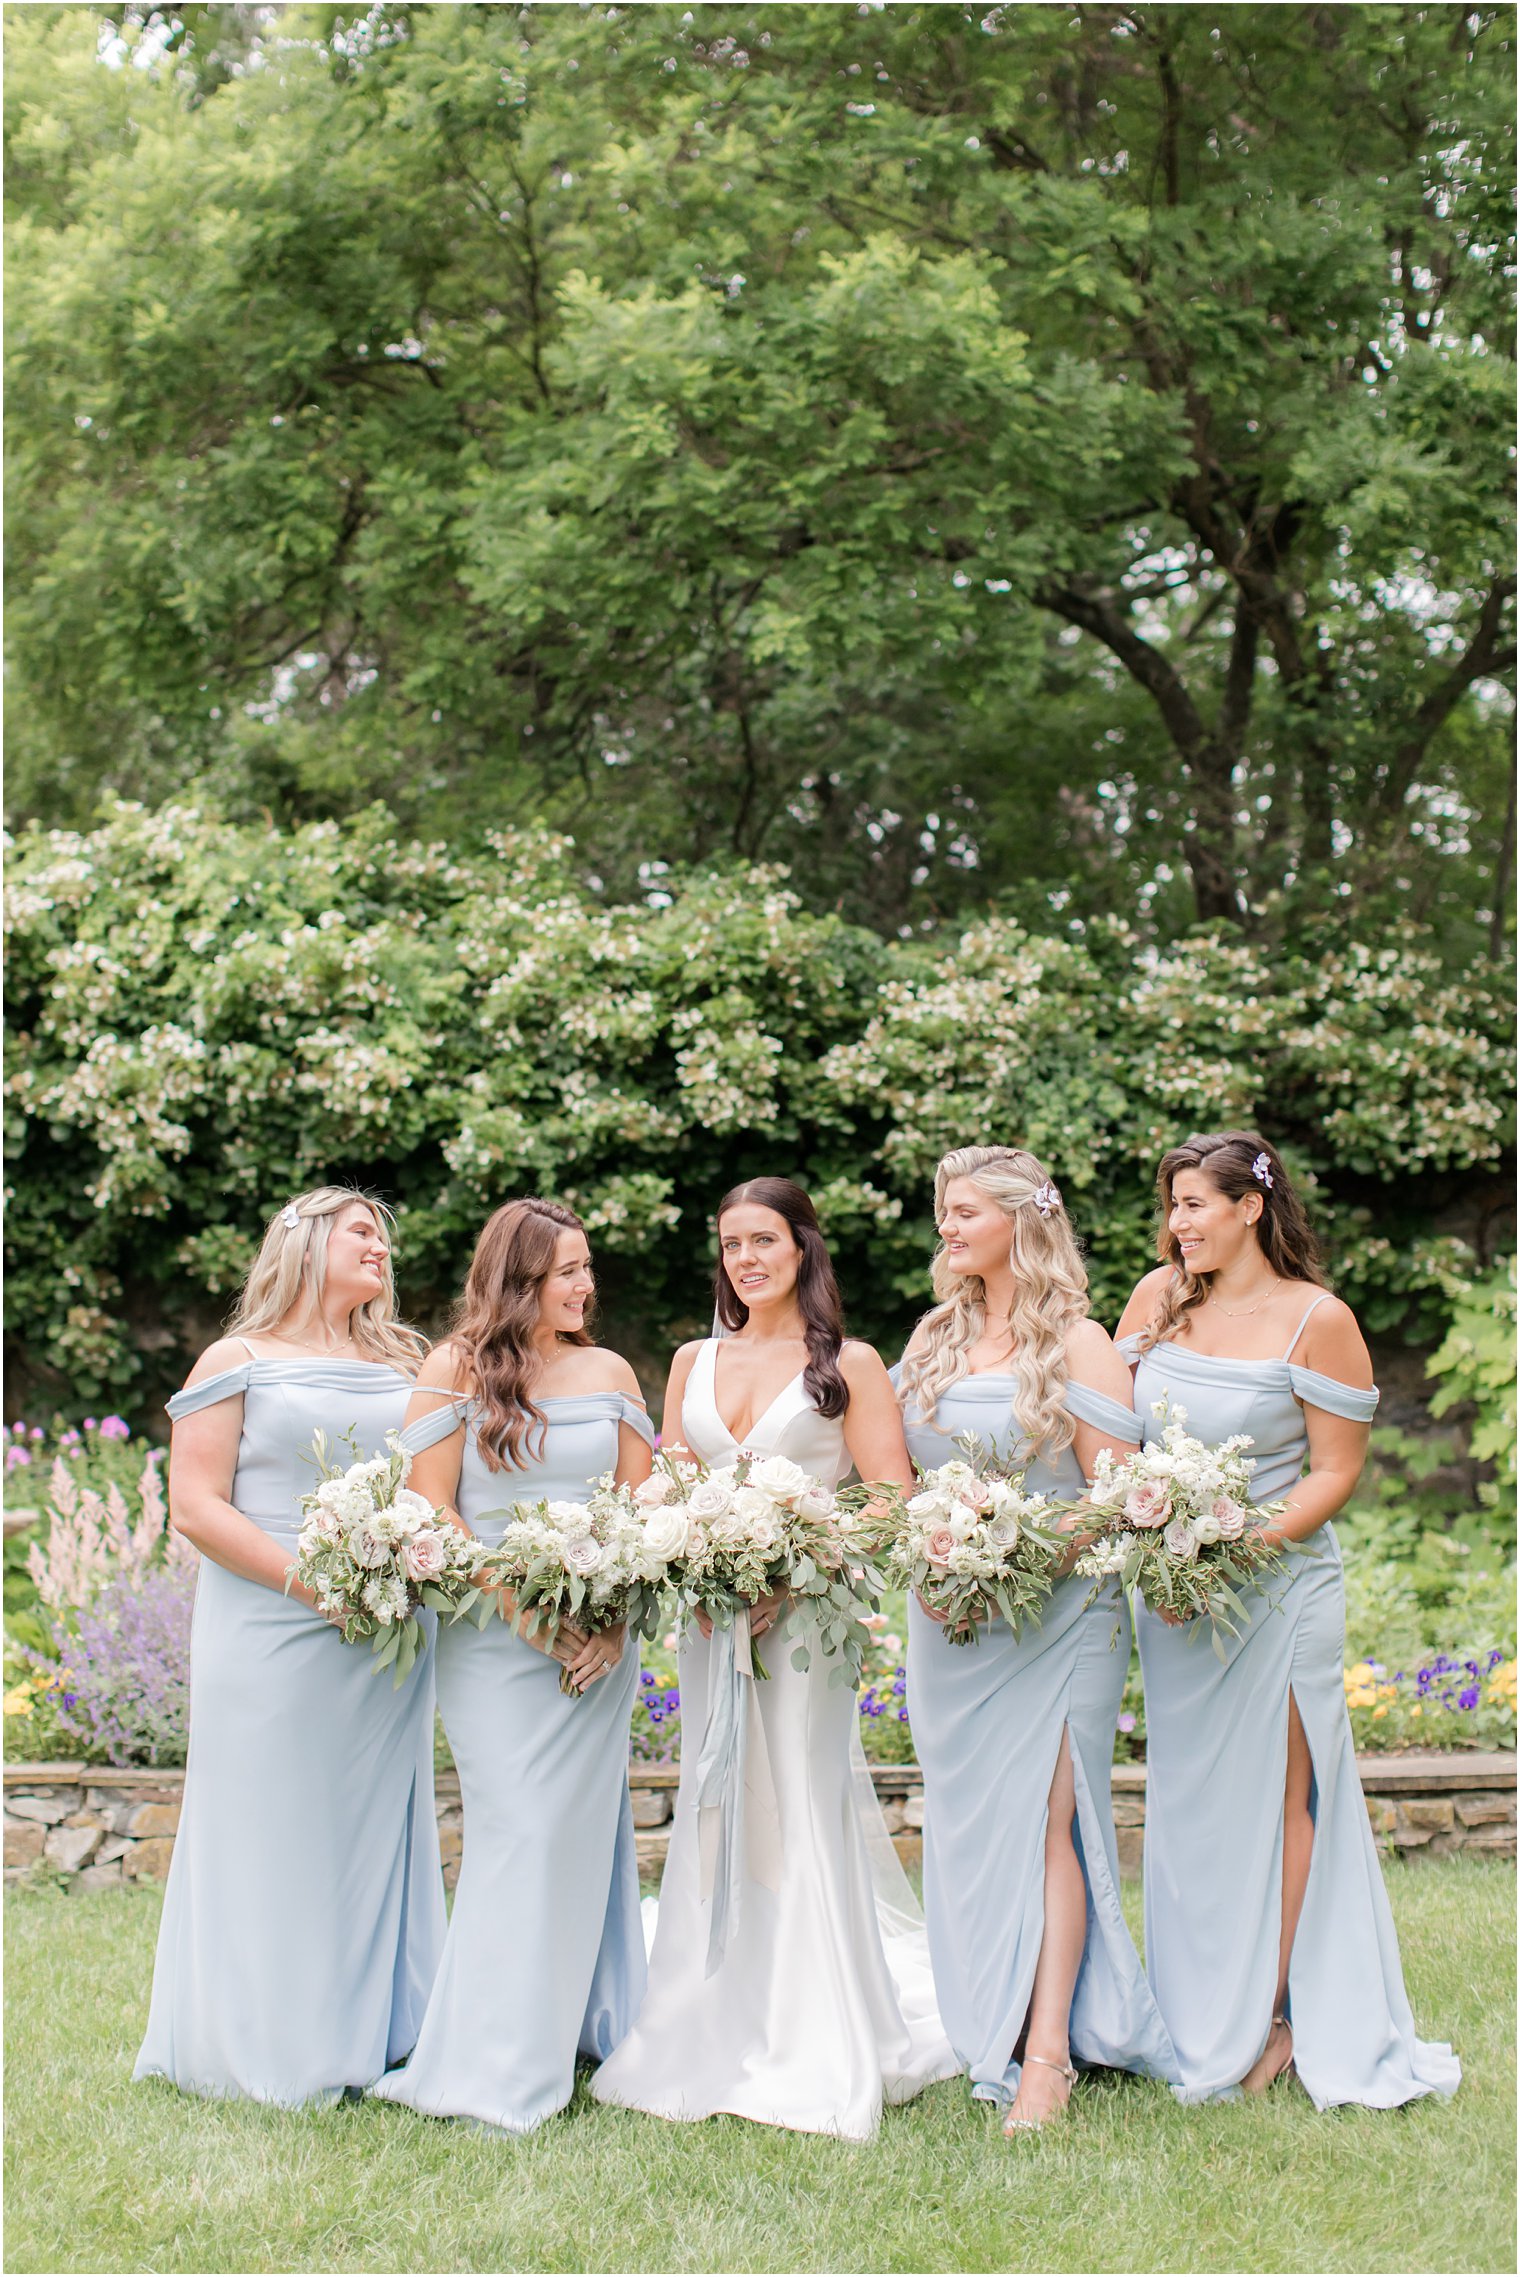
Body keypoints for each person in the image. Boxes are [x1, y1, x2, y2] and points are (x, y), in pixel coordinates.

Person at [592, 1177, 957, 2141]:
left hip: (806, 1629)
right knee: (718, 1799)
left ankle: (809, 2034)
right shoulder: (689, 1360)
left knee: (794, 1792)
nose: (745, 1259)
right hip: (712, 1620)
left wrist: (793, 1566)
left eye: (764, 1239)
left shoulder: (853, 1365)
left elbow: (889, 1496)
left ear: (802, 1248)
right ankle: (703, 2019)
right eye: (730, 1243)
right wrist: (682, 1540)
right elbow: (671, 1478)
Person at [1115, 1129, 1461, 2108]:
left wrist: (1236, 1542)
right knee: (1192, 1803)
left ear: (1248, 1207)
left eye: (1192, 1205)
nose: (1176, 1225)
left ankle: (1275, 2019)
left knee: (1284, 1797)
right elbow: (1112, 1425)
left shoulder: (1317, 1319)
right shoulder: (1154, 1301)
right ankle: (1194, 2009)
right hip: (1176, 1599)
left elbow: (1334, 1470)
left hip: (1278, 1589)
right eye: (1171, 1206)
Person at [134, 1188, 445, 2103]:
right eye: (362, 1231)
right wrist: (309, 1583)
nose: (380, 1248)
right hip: (269, 1624)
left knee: (370, 1829)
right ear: (305, 1243)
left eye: (385, 1236)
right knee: (269, 1824)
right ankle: (262, 2043)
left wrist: (402, 1567)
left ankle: (380, 2033)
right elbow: (194, 1504)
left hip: (385, 1631)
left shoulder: (405, 1362)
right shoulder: (238, 1359)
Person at [896, 1145, 1177, 2133]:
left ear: (1021, 1219)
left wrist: (1016, 1559)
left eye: (965, 1211)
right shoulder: (932, 1339)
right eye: (944, 1213)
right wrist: (937, 1560)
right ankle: (993, 2020)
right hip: (948, 1622)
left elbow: (1115, 1496)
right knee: (974, 1826)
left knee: (1054, 1817)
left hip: (1059, 1618)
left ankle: (1048, 2056)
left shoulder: (1081, 1342)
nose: (948, 1229)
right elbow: (897, 1479)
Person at [372, 1198, 651, 2133]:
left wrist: (612, 1625)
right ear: (518, 1279)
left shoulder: (610, 1369)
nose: (584, 1285)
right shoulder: (451, 1367)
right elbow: (433, 1506)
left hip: (599, 1639)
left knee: (576, 1834)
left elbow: (645, 1511)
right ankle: (494, 2057)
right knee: (518, 1828)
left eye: (585, 1267)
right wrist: (525, 1612)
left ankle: (579, 2026)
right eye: (565, 1270)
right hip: (495, 1638)